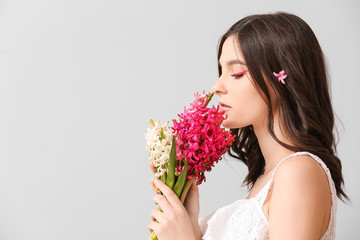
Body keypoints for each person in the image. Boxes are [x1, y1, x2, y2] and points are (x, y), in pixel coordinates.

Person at [148, 12, 348, 240]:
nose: (216, 86)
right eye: (221, 71)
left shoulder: (298, 172)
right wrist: (190, 223)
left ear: (281, 79)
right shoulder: (268, 179)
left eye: (236, 73)